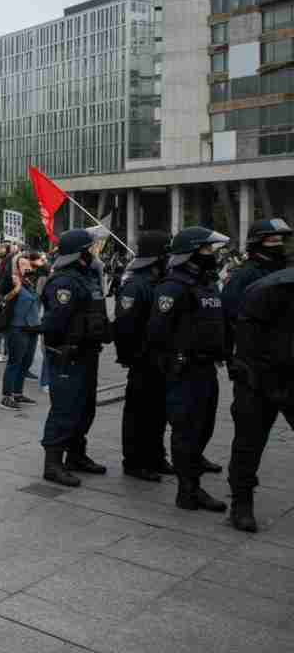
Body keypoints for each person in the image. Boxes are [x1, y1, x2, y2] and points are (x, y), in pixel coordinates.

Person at [146, 226, 230, 512]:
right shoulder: (173, 287)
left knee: (204, 426)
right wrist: (173, 360)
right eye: (206, 249)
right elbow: (157, 331)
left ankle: (193, 481)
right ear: (190, 254)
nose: (211, 255)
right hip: (185, 370)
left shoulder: (206, 284)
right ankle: (188, 490)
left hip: (207, 368)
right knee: (186, 430)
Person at [39, 228, 112, 487]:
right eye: (89, 249)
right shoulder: (64, 282)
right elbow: (55, 323)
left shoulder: (87, 276)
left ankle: (76, 455)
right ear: (79, 253)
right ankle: (53, 463)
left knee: (85, 407)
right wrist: (67, 345)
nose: (93, 253)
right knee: (65, 408)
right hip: (68, 355)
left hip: (87, 352)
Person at [226, 264, 294, 532]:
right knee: (248, 444)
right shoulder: (267, 291)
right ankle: (241, 504)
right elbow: (246, 344)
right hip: (257, 379)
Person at [114, 231, 173, 482]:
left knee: (158, 412)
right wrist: (131, 356)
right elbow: (125, 326)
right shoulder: (136, 284)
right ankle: (135, 461)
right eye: (166, 251)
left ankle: (156, 456)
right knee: (139, 413)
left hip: (160, 359)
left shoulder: (159, 281)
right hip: (143, 359)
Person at [222, 218, 292, 358]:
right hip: (259, 356)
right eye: (272, 241)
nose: (279, 245)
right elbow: (230, 316)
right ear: (257, 243)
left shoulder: (285, 272)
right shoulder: (244, 275)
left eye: (281, 240)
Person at [0, 251, 44, 410]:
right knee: (15, 362)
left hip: (32, 327)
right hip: (17, 327)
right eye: (23, 264)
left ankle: (18, 393)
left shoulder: (29, 281)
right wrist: (16, 288)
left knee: (26, 362)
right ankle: (7, 396)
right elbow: (3, 299)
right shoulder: (11, 281)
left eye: (28, 264)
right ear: (16, 266)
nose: (27, 267)